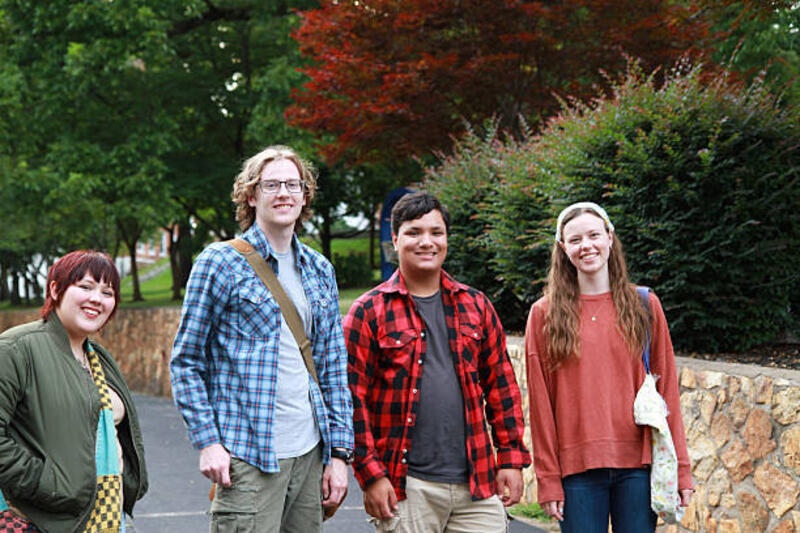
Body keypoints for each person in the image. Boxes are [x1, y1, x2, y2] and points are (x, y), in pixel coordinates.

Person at [170, 145, 353, 532]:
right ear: (251, 196)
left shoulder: (320, 270)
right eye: (271, 185)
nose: (283, 193)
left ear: (305, 195)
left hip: (310, 453)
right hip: (248, 456)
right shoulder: (219, 262)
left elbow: (334, 368)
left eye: (293, 184)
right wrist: (208, 441)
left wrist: (339, 455)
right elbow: (186, 361)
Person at [344, 191, 531, 533]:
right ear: (395, 239)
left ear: (446, 239)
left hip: (477, 484)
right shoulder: (368, 312)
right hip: (406, 486)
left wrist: (510, 457)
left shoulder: (476, 305)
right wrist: (370, 475)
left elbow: (502, 388)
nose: (426, 241)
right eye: (414, 232)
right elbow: (350, 402)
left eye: (436, 232)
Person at [525, 202, 694, 532]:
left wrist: (681, 469)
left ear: (609, 238)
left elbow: (668, 392)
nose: (585, 245)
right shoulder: (544, 314)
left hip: (638, 467)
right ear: (563, 248)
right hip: (576, 472)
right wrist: (547, 478)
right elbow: (541, 407)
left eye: (593, 235)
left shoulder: (644, 305)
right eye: (575, 240)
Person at [0, 250, 148, 533]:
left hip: (106, 515)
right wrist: (48, 484)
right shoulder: (16, 349)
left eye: (108, 292)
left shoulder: (100, 358)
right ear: (55, 289)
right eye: (85, 287)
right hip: (41, 520)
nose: (97, 299)